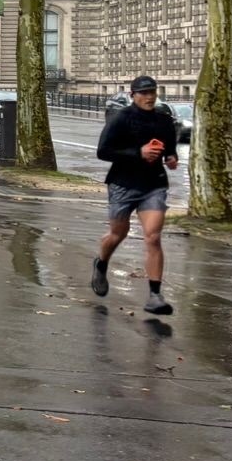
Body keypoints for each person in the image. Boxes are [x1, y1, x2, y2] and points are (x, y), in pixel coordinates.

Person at [93, 75, 179, 314]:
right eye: (144, 93)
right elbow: (103, 151)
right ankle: (101, 263)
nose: (149, 97)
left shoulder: (164, 120)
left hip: (153, 184)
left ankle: (155, 295)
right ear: (133, 95)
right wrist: (138, 153)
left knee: (153, 236)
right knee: (117, 234)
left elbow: (169, 149)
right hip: (122, 183)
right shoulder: (121, 119)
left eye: (152, 92)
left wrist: (171, 158)